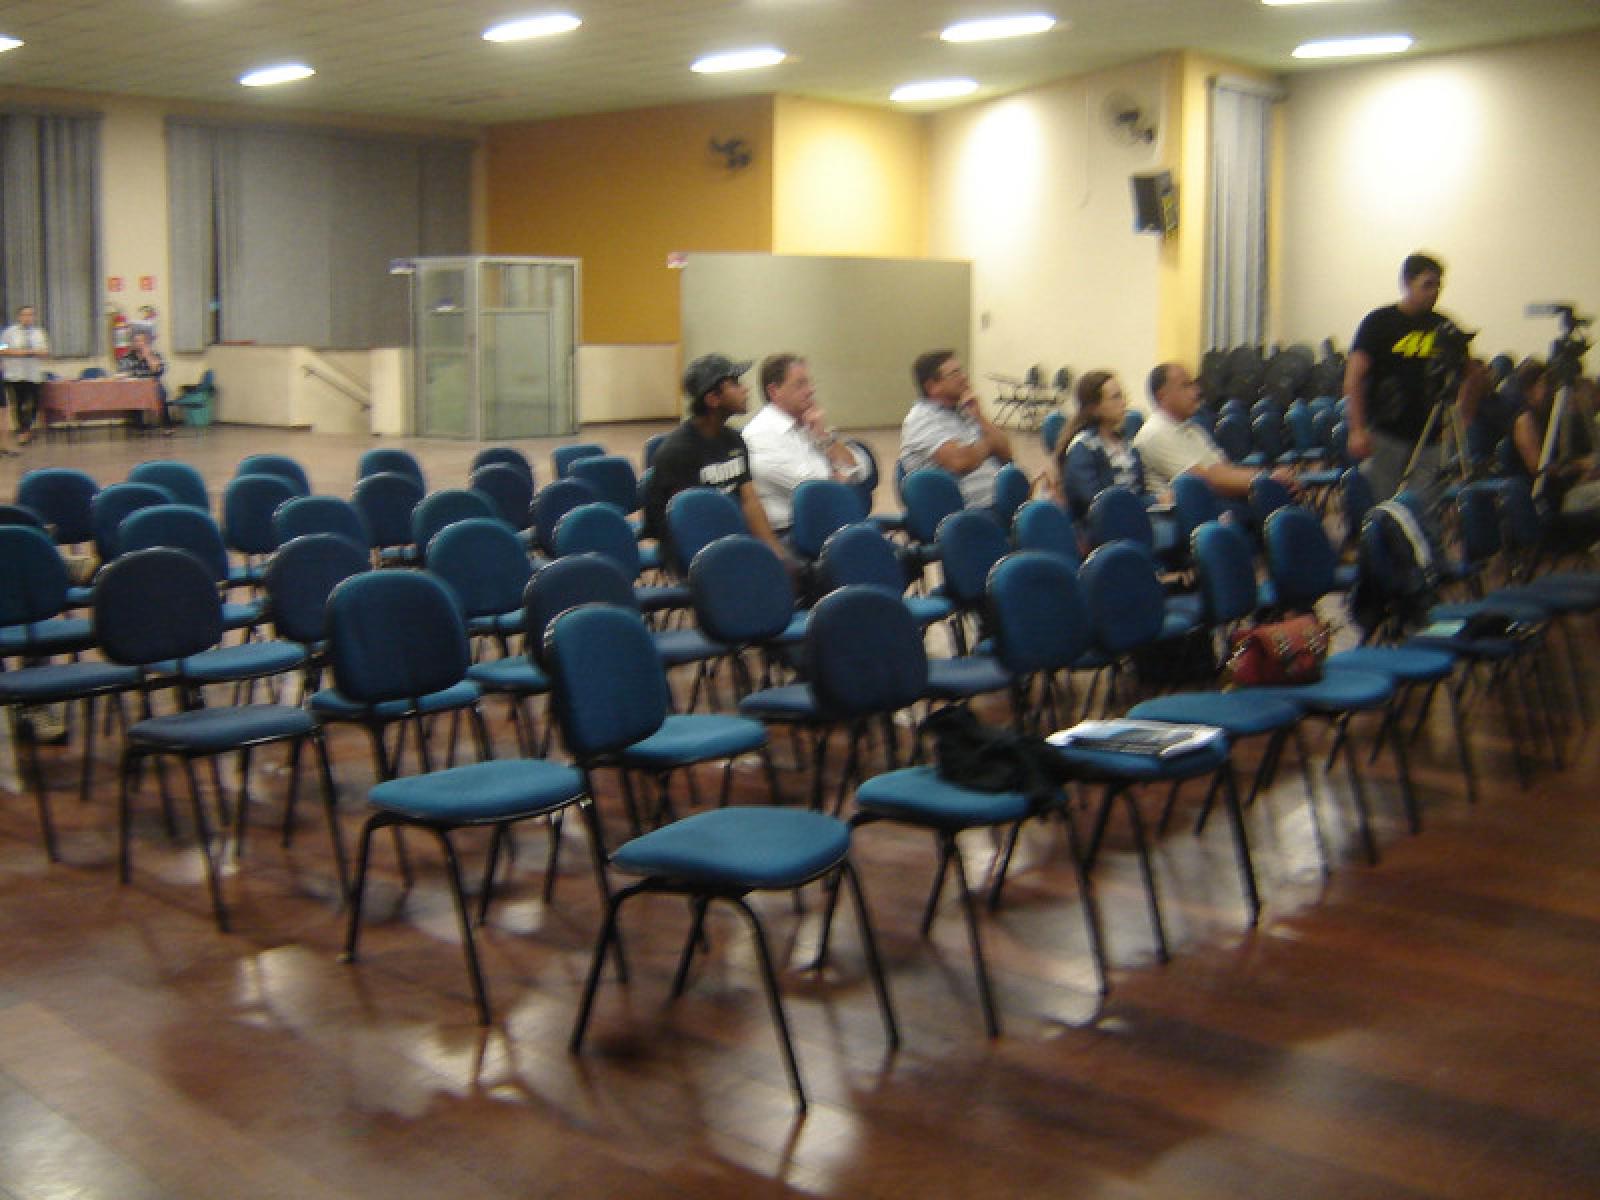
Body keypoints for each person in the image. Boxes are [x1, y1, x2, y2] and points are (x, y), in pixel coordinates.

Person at [1344, 252, 1487, 514]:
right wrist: (1357, 429)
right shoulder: (1379, 323)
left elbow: (1474, 375)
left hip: (1431, 437)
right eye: (1427, 285)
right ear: (1407, 283)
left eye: (1438, 286)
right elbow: (1354, 377)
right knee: (1382, 507)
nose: (1434, 293)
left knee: (1424, 510)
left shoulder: (1444, 326)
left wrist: (1463, 418)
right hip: (1386, 433)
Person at [643, 352, 789, 569]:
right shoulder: (678, 452)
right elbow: (681, 523)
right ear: (713, 399)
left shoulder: (734, 440)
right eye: (735, 384)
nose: (745, 389)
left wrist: (777, 554)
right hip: (698, 555)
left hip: (734, 542)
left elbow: (750, 501)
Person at [741, 353, 868, 533]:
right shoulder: (759, 436)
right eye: (800, 384)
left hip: (827, 522)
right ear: (774, 391)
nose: (811, 390)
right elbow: (816, 489)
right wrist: (839, 474)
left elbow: (860, 471)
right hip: (790, 533)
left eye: (810, 383)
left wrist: (824, 438)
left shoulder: (809, 424)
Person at [1133, 361, 1296, 499]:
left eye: (1193, 384)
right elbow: (1206, 481)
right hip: (1191, 516)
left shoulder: (1191, 428)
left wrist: (1269, 477)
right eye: (1185, 385)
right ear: (1162, 396)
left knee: (1283, 494)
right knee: (1272, 497)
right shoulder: (1155, 433)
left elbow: (1222, 470)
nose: (1196, 392)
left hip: (1218, 503)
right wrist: (1267, 480)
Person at [898, 349, 1012, 507]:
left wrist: (980, 417)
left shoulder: (965, 412)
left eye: (962, 371)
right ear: (933, 386)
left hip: (999, 501)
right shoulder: (921, 419)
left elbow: (1006, 453)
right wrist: (989, 444)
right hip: (968, 512)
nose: (964, 377)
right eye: (955, 373)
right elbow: (961, 461)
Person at [1508, 358, 1600, 546]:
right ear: (1529, 390)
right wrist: (1581, 466)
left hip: (1583, 484)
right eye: (1544, 383)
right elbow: (1540, 469)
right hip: (1558, 497)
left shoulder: (1558, 416)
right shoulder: (1526, 421)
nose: (1551, 389)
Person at [1055, 369, 1149, 518]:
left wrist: (1157, 500)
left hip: (1135, 516)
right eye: (1115, 397)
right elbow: (1096, 502)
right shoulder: (1083, 448)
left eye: (1122, 396)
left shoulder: (1125, 443)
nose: (1124, 403)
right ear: (1095, 408)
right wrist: (1146, 503)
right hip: (1103, 524)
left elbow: (1139, 492)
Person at [1, 305, 50, 449]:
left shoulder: (39, 333)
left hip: (33, 374)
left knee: (33, 403)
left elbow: (45, 352)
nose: (27, 318)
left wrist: (36, 352)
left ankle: (26, 428)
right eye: (24, 315)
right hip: (15, 374)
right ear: (19, 317)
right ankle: (23, 431)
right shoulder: (9, 332)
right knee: (18, 403)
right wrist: (22, 352)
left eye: (30, 315)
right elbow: (2, 350)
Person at [120, 329, 172, 432]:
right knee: (128, 394)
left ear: (147, 342)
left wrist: (148, 356)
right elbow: (123, 373)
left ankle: (166, 425)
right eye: (136, 341)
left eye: (141, 341)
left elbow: (158, 371)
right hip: (134, 387)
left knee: (161, 393)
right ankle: (137, 425)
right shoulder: (127, 357)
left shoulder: (156, 355)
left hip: (152, 386)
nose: (139, 343)